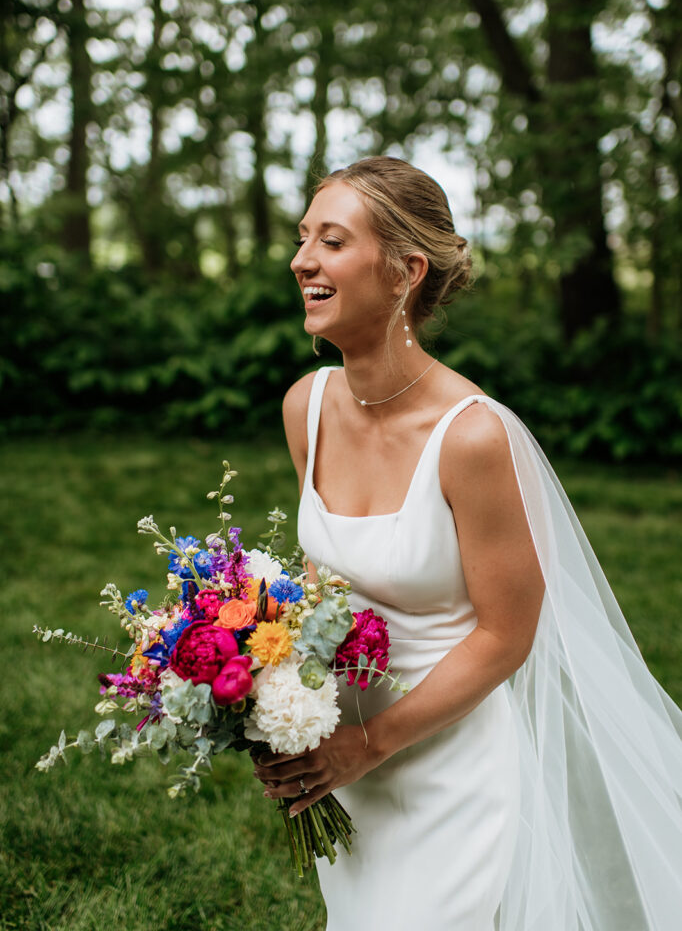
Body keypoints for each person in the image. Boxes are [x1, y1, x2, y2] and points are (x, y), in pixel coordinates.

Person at [252, 157, 682, 930]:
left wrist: (370, 743)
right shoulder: (304, 408)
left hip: (449, 771)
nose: (301, 259)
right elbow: (324, 596)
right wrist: (271, 701)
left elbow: (505, 637)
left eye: (332, 240)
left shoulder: (475, 438)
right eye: (302, 237)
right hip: (345, 771)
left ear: (404, 272)